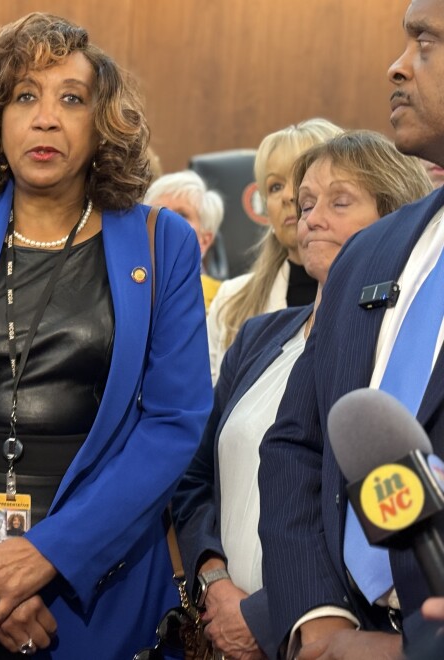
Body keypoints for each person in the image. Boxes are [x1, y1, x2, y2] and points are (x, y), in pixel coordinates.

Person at [0, 12, 211, 660]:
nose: (46, 118)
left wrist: (49, 555)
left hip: (98, 592)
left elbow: (173, 421)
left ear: (101, 121)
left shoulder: (164, 244)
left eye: (70, 99)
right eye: (25, 96)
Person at [171, 130, 431, 660]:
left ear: (395, 220)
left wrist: (267, 617)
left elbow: (366, 515)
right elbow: (195, 479)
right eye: (305, 202)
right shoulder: (260, 335)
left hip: (327, 638)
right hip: (215, 623)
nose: (309, 217)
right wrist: (214, 580)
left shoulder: (400, 354)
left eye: (339, 201)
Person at [258, 2, 444, 657]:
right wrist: (318, 619)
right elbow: (295, 447)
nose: (397, 67)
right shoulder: (371, 253)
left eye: (424, 43)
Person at [206, 119, 343, 383]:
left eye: (302, 180)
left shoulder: (373, 295)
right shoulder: (230, 302)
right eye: (275, 186)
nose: (289, 196)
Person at [144, 170, 225, 311]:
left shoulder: (224, 301)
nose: (166, 221)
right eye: (158, 212)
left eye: (182, 214)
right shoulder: (121, 291)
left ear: (204, 241)